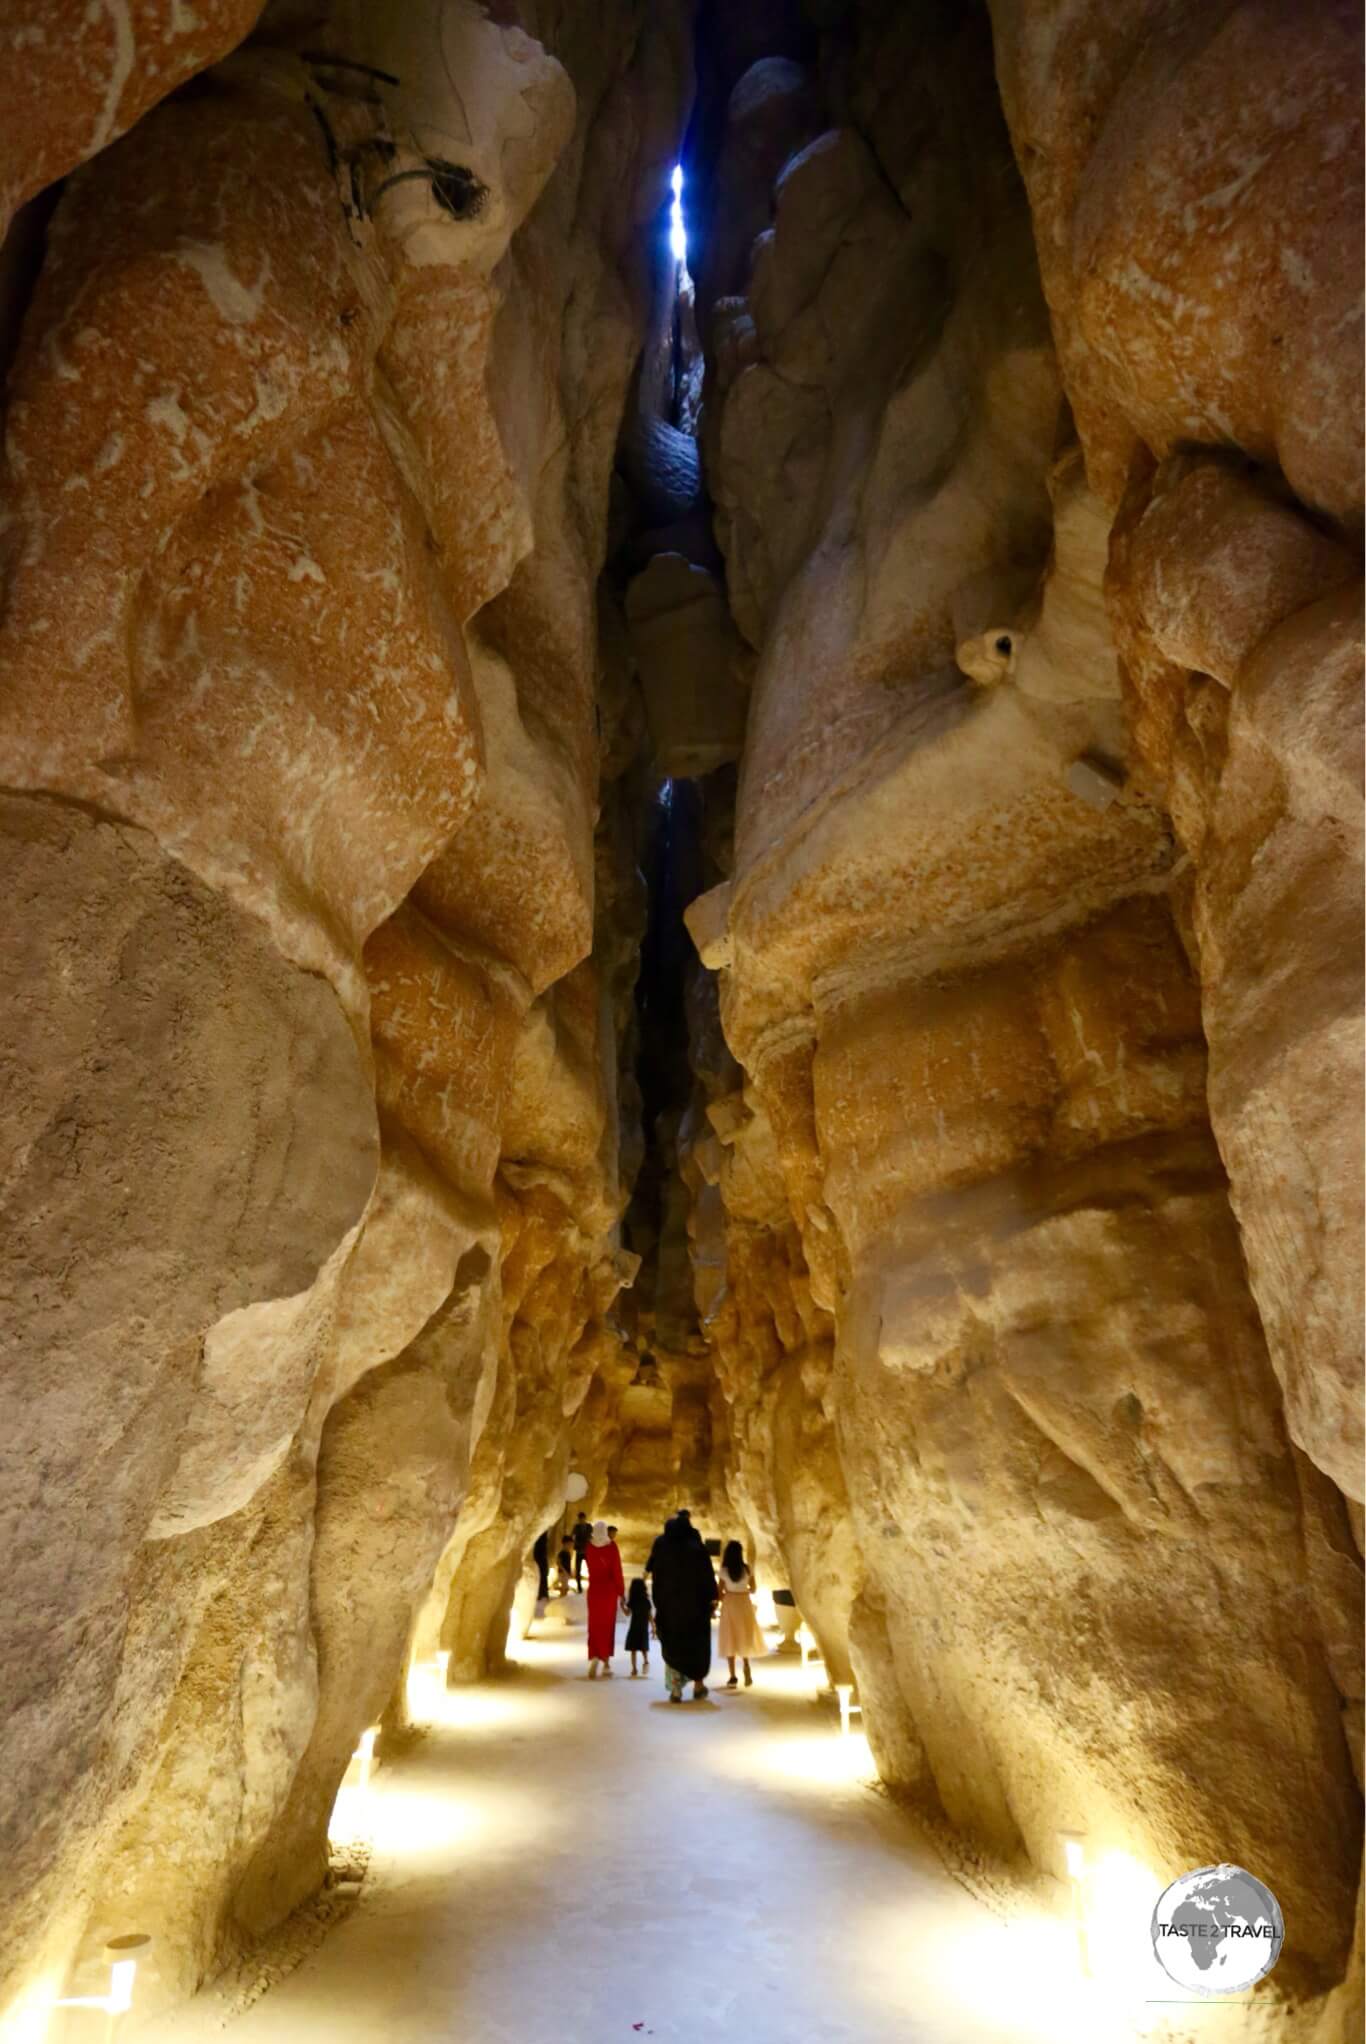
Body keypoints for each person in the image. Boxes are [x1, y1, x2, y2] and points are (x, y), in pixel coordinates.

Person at [650, 1513, 717, 1702]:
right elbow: (707, 1576)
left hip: (671, 1611)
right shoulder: (697, 1548)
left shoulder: (664, 1549)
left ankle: (676, 1690)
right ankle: (698, 1685)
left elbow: (657, 1579)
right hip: (696, 1610)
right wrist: (712, 1600)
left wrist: (659, 1605)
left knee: (674, 1647)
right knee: (697, 1647)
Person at [716, 1539, 766, 1688]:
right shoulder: (747, 1569)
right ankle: (746, 1664)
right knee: (744, 1634)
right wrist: (743, 1590)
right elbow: (754, 1589)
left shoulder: (724, 1571)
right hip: (744, 1602)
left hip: (730, 1602)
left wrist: (728, 1594)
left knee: (729, 1637)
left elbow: (719, 1593)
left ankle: (732, 1676)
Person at [584, 1520, 626, 1678]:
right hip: (608, 1592)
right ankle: (606, 1662)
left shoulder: (589, 1547)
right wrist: (621, 1592)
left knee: (594, 1625)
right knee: (607, 1626)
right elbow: (617, 1571)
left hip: (594, 1591)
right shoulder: (612, 1547)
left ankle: (594, 1655)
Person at [624, 1576, 653, 1677]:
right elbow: (650, 1616)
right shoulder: (646, 1601)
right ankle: (646, 1661)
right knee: (644, 1648)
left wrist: (622, 1606)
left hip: (634, 1628)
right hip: (643, 1628)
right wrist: (653, 1628)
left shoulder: (633, 1601)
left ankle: (634, 1669)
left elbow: (627, 1614)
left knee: (633, 1650)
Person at [571, 1511, 591, 1589]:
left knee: (591, 1568)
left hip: (587, 1550)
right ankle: (579, 1586)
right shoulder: (576, 1527)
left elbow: (592, 1536)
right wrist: (575, 1542)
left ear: (585, 1518)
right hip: (579, 1551)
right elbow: (572, 1535)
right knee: (578, 1569)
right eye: (580, 1519)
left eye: (583, 1519)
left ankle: (592, 1583)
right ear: (579, 1519)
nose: (581, 1520)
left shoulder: (589, 1526)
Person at [532, 1529, 550, 1603]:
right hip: (541, 1558)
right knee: (543, 1577)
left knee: (543, 1577)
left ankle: (542, 1593)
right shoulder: (542, 1539)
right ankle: (542, 1593)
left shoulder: (541, 1540)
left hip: (541, 1558)